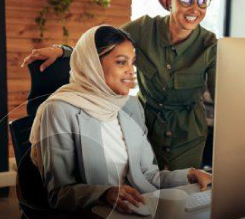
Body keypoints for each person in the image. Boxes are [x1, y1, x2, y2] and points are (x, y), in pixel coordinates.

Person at [29, 25, 211, 214]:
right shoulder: (59, 110)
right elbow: (59, 193)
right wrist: (105, 193)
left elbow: (147, 175)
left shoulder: (130, 105)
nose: (131, 71)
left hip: (140, 207)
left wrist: (189, 175)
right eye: (121, 62)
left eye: (132, 62)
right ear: (93, 65)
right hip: (96, 212)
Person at [22, 0, 217, 171]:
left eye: (202, 1)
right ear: (167, 2)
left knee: (184, 195)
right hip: (146, 126)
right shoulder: (144, 29)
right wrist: (61, 51)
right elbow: (102, 47)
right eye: (186, 0)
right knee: (146, 188)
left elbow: (223, 96)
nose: (195, 8)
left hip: (187, 136)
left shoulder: (210, 45)